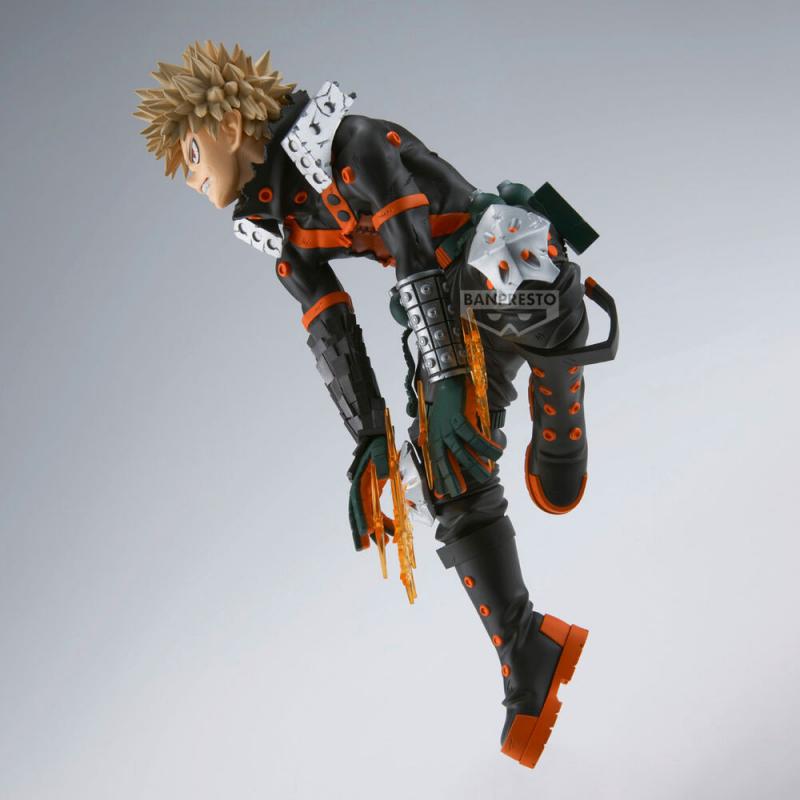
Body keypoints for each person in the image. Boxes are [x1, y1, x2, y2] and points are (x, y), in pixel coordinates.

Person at [135, 41, 618, 768]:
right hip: (444, 307)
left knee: (516, 272)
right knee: (442, 475)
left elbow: (411, 246)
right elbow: (330, 328)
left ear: (230, 125)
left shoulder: (354, 143)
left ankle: (562, 415)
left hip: (490, 258)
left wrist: (445, 378)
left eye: (193, 155)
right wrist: (371, 439)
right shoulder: (280, 231)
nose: (193, 177)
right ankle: (527, 647)